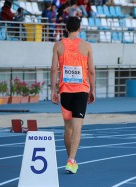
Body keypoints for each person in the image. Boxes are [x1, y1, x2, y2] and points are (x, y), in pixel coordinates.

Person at [50, 17, 95, 174]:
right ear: (79, 28)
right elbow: (91, 71)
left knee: (67, 128)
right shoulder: (87, 46)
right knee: (77, 128)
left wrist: (53, 91)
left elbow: (54, 69)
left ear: (66, 29)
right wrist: (93, 90)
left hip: (65, 91)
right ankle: (71, 159)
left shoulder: (58, 46)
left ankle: (71, 159)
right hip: (81, 90)